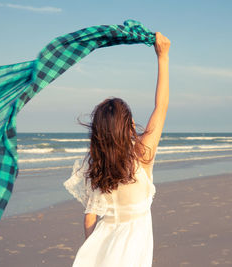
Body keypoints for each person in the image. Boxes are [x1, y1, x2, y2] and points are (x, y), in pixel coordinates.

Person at [64, 32, 170, 267]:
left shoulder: (98, 165)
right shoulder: (141, 155)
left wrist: (91, 249)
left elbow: (90, 216)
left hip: (102, 246)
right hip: (131, 253)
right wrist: (163, 57)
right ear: (128, 126)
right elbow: (161, 107)